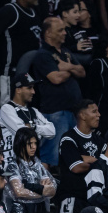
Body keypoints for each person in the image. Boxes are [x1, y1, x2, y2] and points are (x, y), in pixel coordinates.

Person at [30, 17, 85, 165]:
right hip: (55, 112)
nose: (65, 33)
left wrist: (67, 67)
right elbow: (56, 78)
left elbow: (82, 71)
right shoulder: (43, 55)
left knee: (73, 153)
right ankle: (47, 186)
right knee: (51, 155)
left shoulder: (65, 52)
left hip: (73, 111)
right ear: (48, 34)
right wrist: (72, 69)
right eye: (60, 30)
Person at [55, 99, 104, 213]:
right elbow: (76, 167)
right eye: (94, 111)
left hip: (91, 200)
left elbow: (107, 166)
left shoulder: (99, 141)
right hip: (72, 198)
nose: (99, 115)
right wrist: (97, 162)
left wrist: (89, 159)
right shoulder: (69, 138)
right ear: (82, 115)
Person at [4, 129, 57, 213]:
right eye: (29, 144)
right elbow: (18, 191)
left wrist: (32, 188)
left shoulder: (37, 164)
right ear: (21, 144)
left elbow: (52, 190)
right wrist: (42, 191)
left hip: (39, 210)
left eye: (35, 143)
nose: (33, 147)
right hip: (21, 212)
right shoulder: (13, 165)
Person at [0, 74, 55, 164]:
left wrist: (34, 127)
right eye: (29, 88)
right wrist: (39, 131)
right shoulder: (7, 108)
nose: (33, 92)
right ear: (18, 90)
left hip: (31, 162)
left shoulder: (33, 111)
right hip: (12, 162)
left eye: (33, 88)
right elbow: (22, 133)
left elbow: (52, 131)